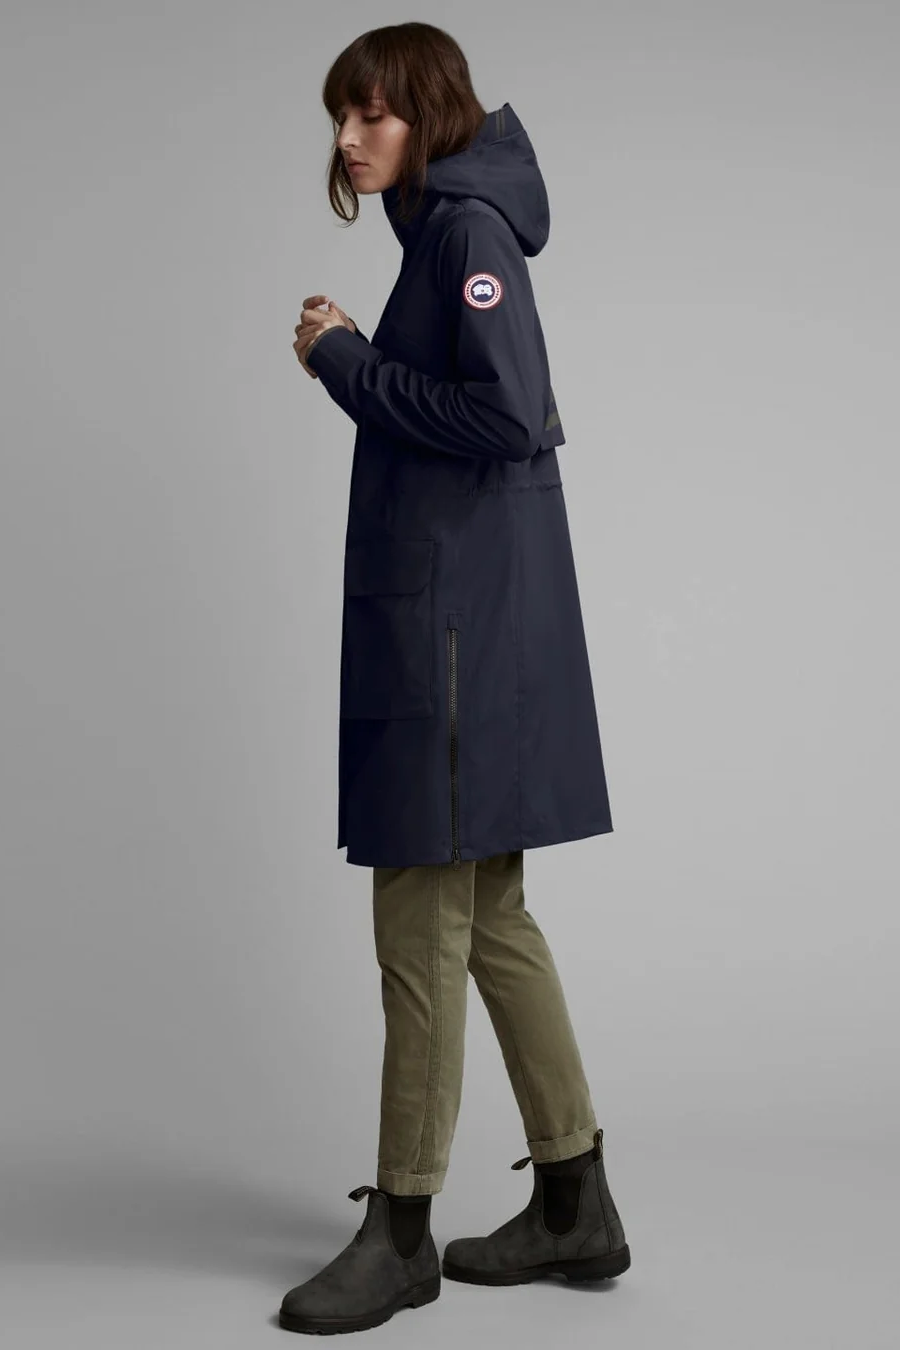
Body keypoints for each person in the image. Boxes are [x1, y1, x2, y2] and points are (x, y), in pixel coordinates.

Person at [282, 21, 630, 1336]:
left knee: (418, 931)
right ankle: (575, 1200)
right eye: (340, 117)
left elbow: (507, 415)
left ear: (428, 113)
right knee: (488, 922)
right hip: (459, 627)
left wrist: (345, 361)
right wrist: (362, 356)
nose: (348, 138)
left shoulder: (465, 237)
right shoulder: (442, 233)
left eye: (371, 113)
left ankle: (403, 1232)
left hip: (452, 639)